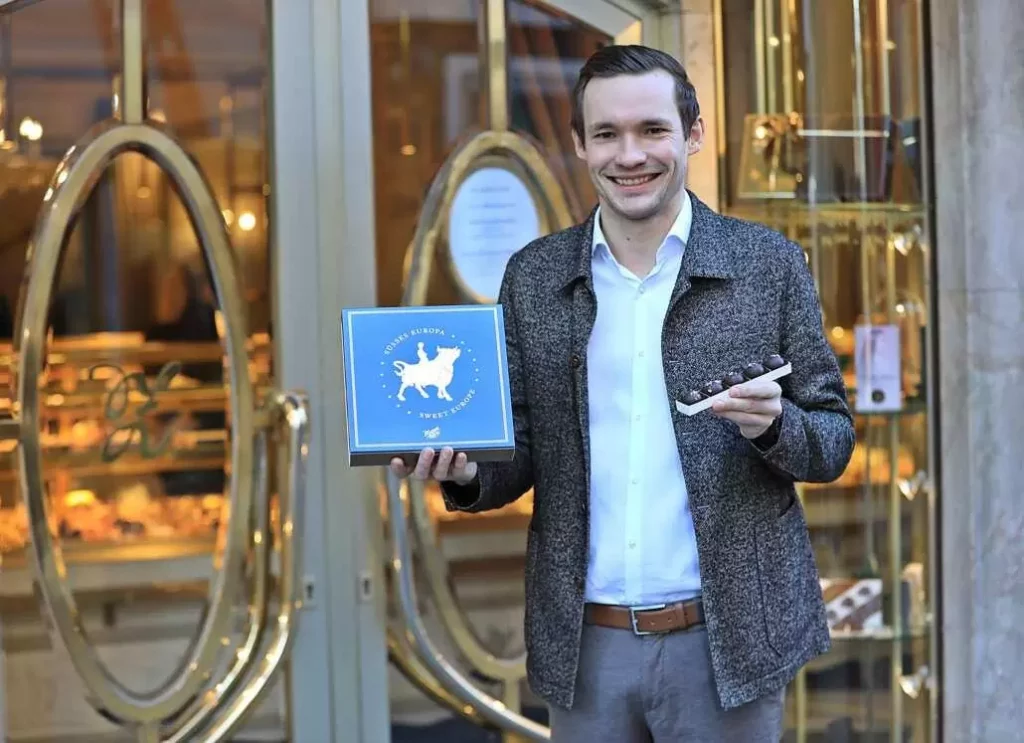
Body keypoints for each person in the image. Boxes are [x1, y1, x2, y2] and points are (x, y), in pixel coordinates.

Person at [391, 44, 854, 742]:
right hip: (588, 647)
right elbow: (516, 451)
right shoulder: (535, 278)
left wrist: (773, 425)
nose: (629, 155)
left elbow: (832, 440)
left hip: (727, 642)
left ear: (693, 134)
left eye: (652, 130)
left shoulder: (767, 265)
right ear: (579, 144)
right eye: (606, 134)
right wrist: (466, 472)